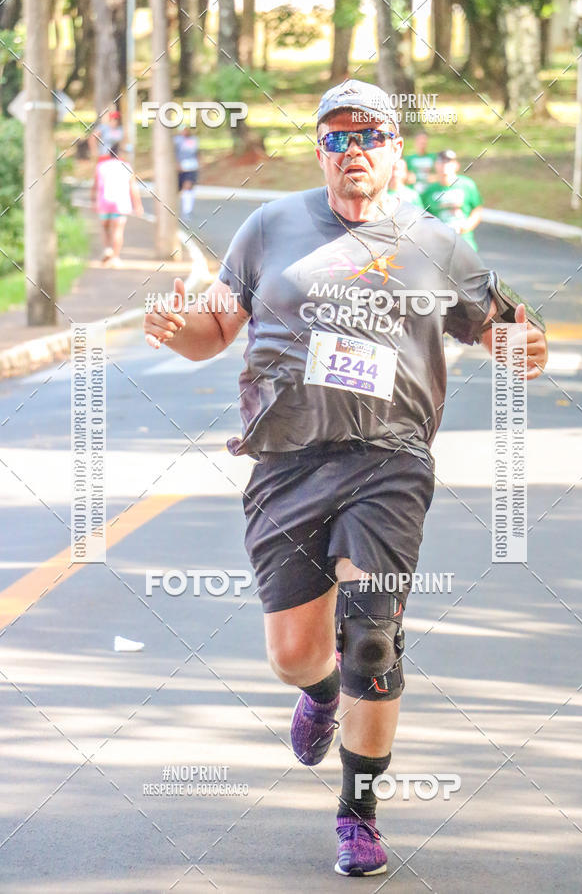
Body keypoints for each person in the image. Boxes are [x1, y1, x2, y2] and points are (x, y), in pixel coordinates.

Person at [143, 79, 548, 877]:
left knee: (371, 637)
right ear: (320, 151)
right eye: (335, 137)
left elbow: (509, 325)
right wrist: (176, 326)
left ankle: (358, 810)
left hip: (390, 460)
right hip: (286, 461)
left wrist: (528, 345)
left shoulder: (436, 242)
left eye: (368, 135)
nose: (352, 149)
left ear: (396, 150)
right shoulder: (270, 228)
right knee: (296, 654)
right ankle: (320, 694)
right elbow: (215, 329)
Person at [421, 150, 483, 251]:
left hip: (465, 243)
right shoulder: (429, 191)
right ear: (436, 165)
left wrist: (467, 226)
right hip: (440, 246)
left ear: (456, 165)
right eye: (441, 162)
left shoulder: (467, 185)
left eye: (448, 162)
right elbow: (423, 217)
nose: (445, 166)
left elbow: (477, 209)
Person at [92, 143, 143, 266]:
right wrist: (138, 205)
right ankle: (115, 257)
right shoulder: (126, 167)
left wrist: (93, 201)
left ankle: (107, 249)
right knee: (118, 230)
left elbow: (95, 186)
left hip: (104, 202)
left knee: (104, 227)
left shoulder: (101, 166)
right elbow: (133, 188)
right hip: (120, 203)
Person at [174, 125, 200, 222]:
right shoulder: (177, 140)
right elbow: (174, 153)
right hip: (181, 167)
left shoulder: (194, 140)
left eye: (186, 130)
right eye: (183, 130)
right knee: (179, 189)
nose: (185, 132)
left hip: (192, 167)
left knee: (188, 187)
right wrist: (177, 164)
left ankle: (187, 211)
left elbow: (197, 152)